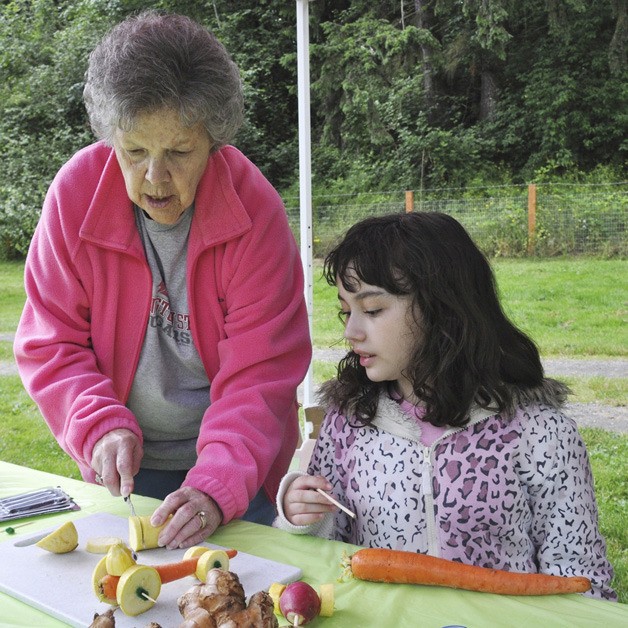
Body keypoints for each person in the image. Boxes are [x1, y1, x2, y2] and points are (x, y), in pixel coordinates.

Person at [14, 10, 311, 550]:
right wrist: (100, 424)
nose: (155, 177)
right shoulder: (74, 196)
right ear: (111, 139)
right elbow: (51, 341)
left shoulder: (255, 212)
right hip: (128, 470)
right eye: (134, 152)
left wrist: (215, 487)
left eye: (177, 152)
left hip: (237, 470)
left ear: (214, 141)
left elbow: (260, 377)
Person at [273, 211, 616, 601]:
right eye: (345, 311)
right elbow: (327, 548)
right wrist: (301, 515)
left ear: (442, 308)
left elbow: (580, 577)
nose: (351, 331)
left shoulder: (539, 432)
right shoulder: (348, 421)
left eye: (371, 310)